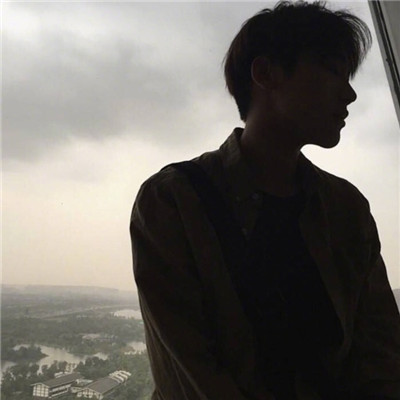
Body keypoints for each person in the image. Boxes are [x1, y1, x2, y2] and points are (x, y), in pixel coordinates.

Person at [130, 1, 400, 399]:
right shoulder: (172, 201)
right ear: (265, 73)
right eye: (332, 70)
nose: (350, 93)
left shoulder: (347, 208)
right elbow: (191, 377)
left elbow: (381, 355)